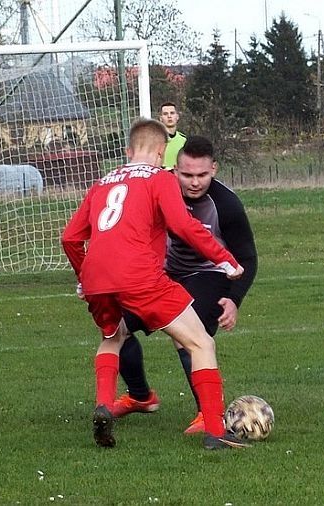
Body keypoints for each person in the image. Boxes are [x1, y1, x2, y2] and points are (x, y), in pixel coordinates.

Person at [61, 118, 249, 450]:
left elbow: (70, 238)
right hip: (140, 278)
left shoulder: (102, 182)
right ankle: (215, 431)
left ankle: (104, 404)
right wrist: (226, 260)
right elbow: (182, 225)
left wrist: (84, 277)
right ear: (162, 153)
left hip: (96, 279)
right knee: (200, 343)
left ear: (128, 151)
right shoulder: (159, 178)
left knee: (112, 336)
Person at [110, 135, 258, 434]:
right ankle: (141, 397)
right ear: (173, 169)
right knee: (114, 327)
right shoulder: (157, 189)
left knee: (186, 335)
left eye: (202, 175)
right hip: (160, 275)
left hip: (208, 273)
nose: (194, 182)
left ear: (214, 168)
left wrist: (234, 299)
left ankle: (207, 414)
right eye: (187, 174)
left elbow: (247, 257)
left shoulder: (226, 204)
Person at [159, 101, 187, 169]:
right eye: (165, 114)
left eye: (172, 113)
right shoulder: (156, 140)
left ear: (177, 117)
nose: (169, 116)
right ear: (160, 118)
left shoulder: (184, 140)